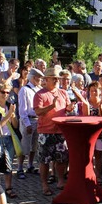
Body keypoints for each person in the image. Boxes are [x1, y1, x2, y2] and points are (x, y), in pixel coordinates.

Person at [34, 66, 74, 195]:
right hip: (45, 132)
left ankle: (60, 180)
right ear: (46, 79)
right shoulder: (40, 94)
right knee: (44, 161)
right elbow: (38, 111)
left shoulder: (63, 92)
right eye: (54, 78)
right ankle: (45, 184)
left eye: (58, 78)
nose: (57, 80)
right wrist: (51, 106)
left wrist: (70, 108)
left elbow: (67, 108)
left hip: (61, 131)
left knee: (61, 158)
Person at [0, 82, 19, 199]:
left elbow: (16, 126)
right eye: (3, 92)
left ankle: (8, 188)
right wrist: (8, 115)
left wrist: (12, 116)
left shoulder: (10, 105)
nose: (6, 94)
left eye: (8, 92)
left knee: (9, 164)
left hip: (10, 138)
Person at [18, 68, 43, 178]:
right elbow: (22, 109)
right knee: (25, 145)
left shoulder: (39, 89)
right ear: (33, 78)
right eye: (39, 78)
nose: (41, 80)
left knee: (34, 145)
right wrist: (27, 124)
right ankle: (19, 168)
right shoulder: (24, 90)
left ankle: (30, 165)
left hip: (38, 119)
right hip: (28, 119)